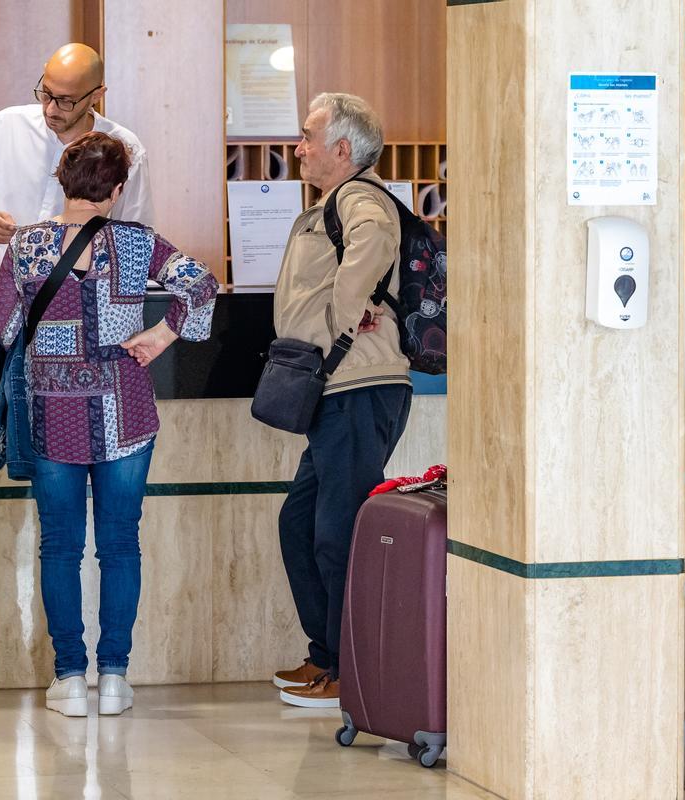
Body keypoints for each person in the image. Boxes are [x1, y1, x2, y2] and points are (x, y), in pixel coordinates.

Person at [0, 132, 218, 717]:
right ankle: (114, 677)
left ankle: (68, 677)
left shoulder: (28, 247)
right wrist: (162, 334)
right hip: (127, 413)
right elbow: (203, 285)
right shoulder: (139, 245)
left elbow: (3, 327)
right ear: (117, 191)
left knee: (60, 547)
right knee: (120, 545)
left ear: (62, 182)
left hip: (52, 412)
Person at [271, 93, 412, 708]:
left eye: (307, 137)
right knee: (301, 523)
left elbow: (373, 246)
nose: (298, 148)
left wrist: (344, 323)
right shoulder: (330, 203)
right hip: (336, 391)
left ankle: (348, 670)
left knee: (335, 533)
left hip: (360, 388)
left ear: (342, 149)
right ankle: (327, 654)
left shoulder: (361, 199)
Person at [0, 43, 154, 281]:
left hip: (77, 304)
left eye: (65, 101)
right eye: (46, 93)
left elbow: (135, 243)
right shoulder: (4, 127)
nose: (50, 109)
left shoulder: (123, 149)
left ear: (96, 96)